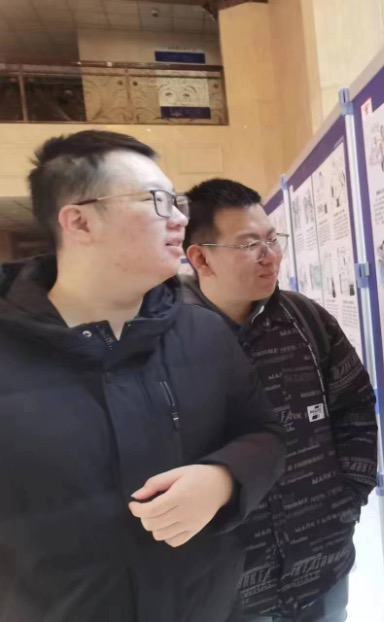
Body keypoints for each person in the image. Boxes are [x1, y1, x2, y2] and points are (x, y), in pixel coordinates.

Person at [0, 131, 286, 621]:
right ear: (79, 221)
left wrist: (223, 478)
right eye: (156, 201)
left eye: (177, 202)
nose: (179, 219)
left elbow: (264, 434)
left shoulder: (202, 332)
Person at [182, 179, 378, 622]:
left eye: (273, 240)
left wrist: (347, 500)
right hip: (228, 589)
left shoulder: (306, 321)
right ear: (201, 258)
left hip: (322, 566)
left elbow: (355, 409)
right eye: (249, 245)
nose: (270, 256)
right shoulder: (170, 338)